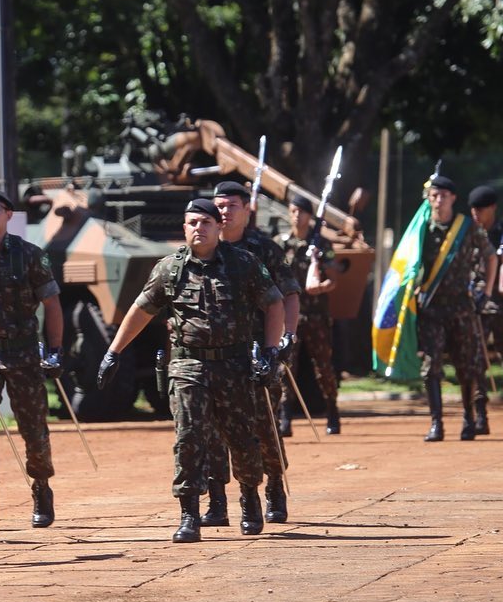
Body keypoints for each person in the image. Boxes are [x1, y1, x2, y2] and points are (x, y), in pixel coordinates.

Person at [96, 199, 284, 542]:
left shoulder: (243, 264)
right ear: (184, 228)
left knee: (241, 438)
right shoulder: (170, 268)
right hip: (187, 365)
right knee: (188, 438)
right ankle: (188, 514)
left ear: (218, 227)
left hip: (234, 365)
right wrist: (113, 352)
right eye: (192, 222)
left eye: (206, 222)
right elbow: (142, 309)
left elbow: (273, 302)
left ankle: (250, 498)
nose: (200, 228)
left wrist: (271, 350)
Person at [0, 187, 63, 530]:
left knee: (34, 429)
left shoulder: (30, 255)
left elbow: (51, 303)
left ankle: (40, 486)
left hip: (23, 352)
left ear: (9, 216)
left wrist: (54, 349)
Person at [213, 181, 301, 524]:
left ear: (247, 209)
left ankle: (275, 486)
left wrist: (287, 337)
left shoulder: (263, 249)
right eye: (219, 205)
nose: (224, 212)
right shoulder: (207, 247)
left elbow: (289, 293)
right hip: (218, 354)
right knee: (214, 431)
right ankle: (217, 501)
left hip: (258, 351)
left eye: (231, 205)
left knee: (264, 425)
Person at [417, 176, 496, 442]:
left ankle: (468, 417)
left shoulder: (466, 227)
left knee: (466, 367)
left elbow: (490, 255)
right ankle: (436, 423)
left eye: (443, 196)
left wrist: (486, 292)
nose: (438, 201)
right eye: (434, 196)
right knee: (431, 367)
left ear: (453, 198)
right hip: (432, 310)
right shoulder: (421, 229)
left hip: (461, 308)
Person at [276, 194, 341, 436]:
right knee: (286, 367)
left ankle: (332, 411)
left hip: (316, 315)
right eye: (293, 211)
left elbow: (334, 278)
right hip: (289, 317)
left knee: (323, 366)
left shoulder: (322, 246)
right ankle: (285, 418)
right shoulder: (281, 243)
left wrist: (321, 286)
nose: (296, 216)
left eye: (301, 212)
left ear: (309, 215)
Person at [468, 185, 503, 432]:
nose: (476, 214)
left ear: (492, 208)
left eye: (480, 209)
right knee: (476, 361)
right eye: (473, 209)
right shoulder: (469, 234)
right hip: (478, 305)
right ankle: (480, 413)